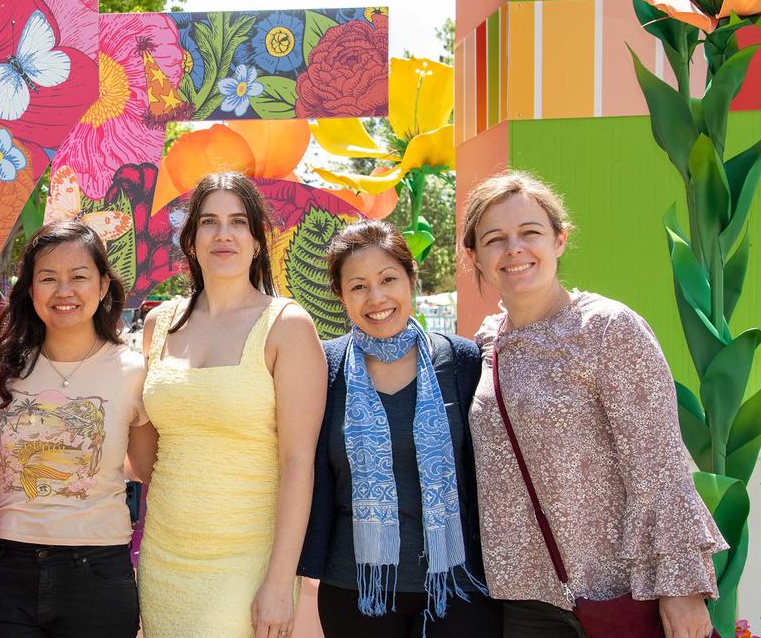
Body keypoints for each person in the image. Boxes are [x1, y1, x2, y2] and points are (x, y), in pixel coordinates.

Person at [461, 171, 726, 638]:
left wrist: (682, 587)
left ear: (560, 240)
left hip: (616, 596)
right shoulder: (486, 345)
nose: (514, 249)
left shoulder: (607, 329)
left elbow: (659, 464)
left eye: (530, 233)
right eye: (495, 239)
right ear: (475, 257)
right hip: (524, 601)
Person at [132, 172, 326, 638]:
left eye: (239, 222)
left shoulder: (287, 326)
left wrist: (280, 580)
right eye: (209, 222)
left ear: (258, 240)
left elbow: (300, 462)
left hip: (247, 562)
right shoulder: (159, 324)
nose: (224, 234)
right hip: (163, 557)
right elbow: (145, 462)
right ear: (191, 239)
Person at [297, 220, 501, 637]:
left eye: (388, 278)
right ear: (340, 296)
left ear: (411, 280)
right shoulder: (323, 366)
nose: (376, 298)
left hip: (459, 586)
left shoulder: (460, 360)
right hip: (355, 591)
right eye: (358, 286)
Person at [0, 220, 149, 638]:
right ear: (31, 289)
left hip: (97, 573)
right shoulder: (2, 365)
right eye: (48, 278)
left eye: (79, 277)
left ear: (102, 285)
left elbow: (152, 470)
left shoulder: (135, 370)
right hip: (5, 572)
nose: (64, 291)